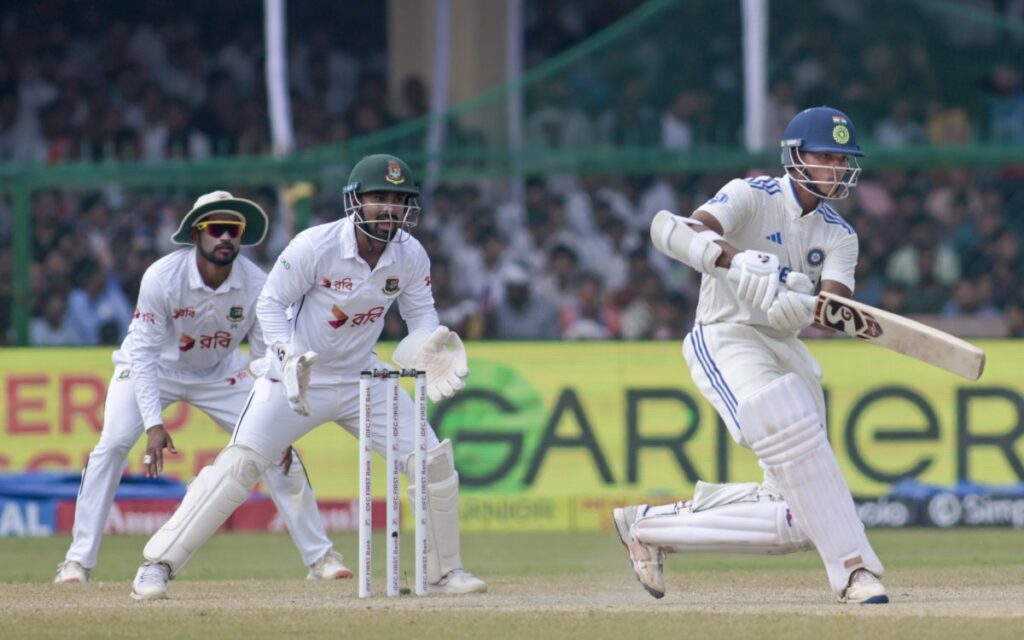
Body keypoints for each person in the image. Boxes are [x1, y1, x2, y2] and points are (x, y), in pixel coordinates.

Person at [130, 154, 487, 600]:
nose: (390, 208)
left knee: (432, 461)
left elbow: (420, 314)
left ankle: (445, 572)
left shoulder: (410, 254)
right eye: (379, 197)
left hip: (363, 378)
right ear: (355, 200)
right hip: (298, 376)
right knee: (240, 467)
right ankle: (157, 565)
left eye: (399, 200)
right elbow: (270, 303)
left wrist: (427, 346)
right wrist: (287, 356)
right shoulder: (315, 246)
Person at [614, 106, 889, 605]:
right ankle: (855, 571)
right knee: (784, 418)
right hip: (727, 335)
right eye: (826, 156)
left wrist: (802, 304)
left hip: (786, 346)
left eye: (842, 159)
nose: (836, 168)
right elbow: (673, 230)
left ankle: (648, 526)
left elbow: (833, 311)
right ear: (796, 156)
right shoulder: (751, 194)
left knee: (803, 514)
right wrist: (739, 262)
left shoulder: (839, 235)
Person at [55, 191, 349, 585]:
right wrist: (153, 423)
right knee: (111, 446)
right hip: (154, 370)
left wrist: (274, 418)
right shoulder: (162, 277)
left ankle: (321, 558)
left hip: (220, 374)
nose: (225, 237)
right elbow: (142, 354)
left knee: (279, 454)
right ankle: (77, 562)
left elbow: (264, 357)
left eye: (234, 230)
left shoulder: (257, 283)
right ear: (196, 234)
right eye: (216, 228)